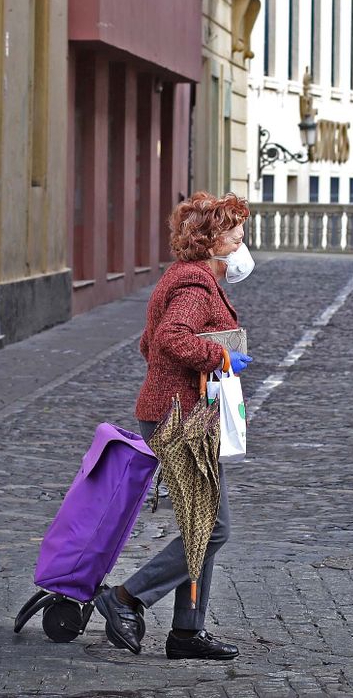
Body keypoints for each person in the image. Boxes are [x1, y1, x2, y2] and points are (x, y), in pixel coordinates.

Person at [93, 191, 255, 661]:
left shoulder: (187, 278)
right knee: (213, 528)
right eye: (236, 232)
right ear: (212, 240)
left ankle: (187, 633)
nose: (243, 240)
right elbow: (167, 340)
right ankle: (126, 597)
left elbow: (148, 344)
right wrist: (220, 356)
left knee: (200, 525)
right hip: (178, 419)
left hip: (178, 412)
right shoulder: (195, 285)